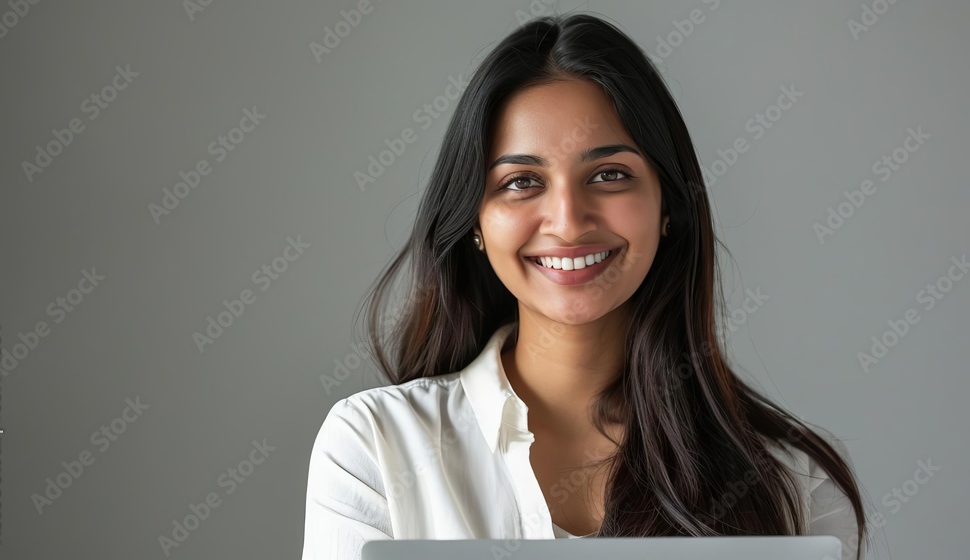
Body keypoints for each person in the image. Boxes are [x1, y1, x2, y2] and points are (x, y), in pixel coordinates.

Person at [302, 12, 869, 560]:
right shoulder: (373, 446)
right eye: (522, 182)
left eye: (609, 175)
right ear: (474, 221)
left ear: (668, 205)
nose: (569, 222)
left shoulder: (793, 484)